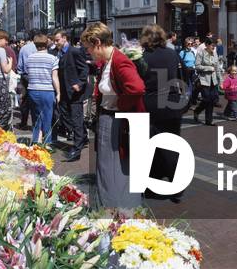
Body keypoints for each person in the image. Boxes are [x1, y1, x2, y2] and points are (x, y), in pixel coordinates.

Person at [83, 22, 144, 208]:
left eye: (89, 48)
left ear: (97, 43)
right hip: (110, 119)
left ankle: (117, 211)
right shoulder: (109, 61)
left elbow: (137, 88)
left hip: (116, 121)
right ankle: (113, 208)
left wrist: (120, 105)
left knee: (114, 170)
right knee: (110, 169)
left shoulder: (119, 61)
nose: (89, 53)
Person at [139, 24, 186, 197]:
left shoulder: (143, 57)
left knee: (150, 146)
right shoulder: (172, 54)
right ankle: (178, 187)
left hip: (151, 104)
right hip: (172, 103)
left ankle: (152, 182)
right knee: (172, 146)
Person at [55, 30, 91, 162]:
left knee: (76, 119)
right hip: (64, 92)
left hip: (75, 92)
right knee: (65, 117)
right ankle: (83, 137)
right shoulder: (58, 53)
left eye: (57, 40)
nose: (56, 42)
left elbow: (84, 69)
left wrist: (80, 84)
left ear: (64, 38)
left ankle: (77, 149)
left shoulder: (74, 51)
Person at [24, 33, 60, 144]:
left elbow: (28, 74)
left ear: (35, 45)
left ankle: (36, 141)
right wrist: (58, 92)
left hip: (33, 89)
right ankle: (47, 143)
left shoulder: (29, 58)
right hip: (47, 90)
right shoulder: (53, 58)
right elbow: (54, 78)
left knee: (36, 118)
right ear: (47, 44)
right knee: (48, 118)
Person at [193, 38, 222, 126]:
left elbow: (217, 67)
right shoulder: (200, 53)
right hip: (204, 79)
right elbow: (197, 66)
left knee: (212, 100)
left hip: (213, 80)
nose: (214, 47)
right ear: (207, 45)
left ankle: (209, 120)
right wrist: (208, 68)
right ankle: (197, 111)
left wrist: (221, 80)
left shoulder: (215, 53)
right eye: (212, 45)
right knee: (207, 99)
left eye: (214, 45)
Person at [17, 30, 39, 130]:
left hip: (26, 76)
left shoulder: (24, 48)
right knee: (37, 100)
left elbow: (20, 65)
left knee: (25, 100)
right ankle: (36, 123)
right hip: (38, 76)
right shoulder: (40, 47)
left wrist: (20, 74)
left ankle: (24, 122)